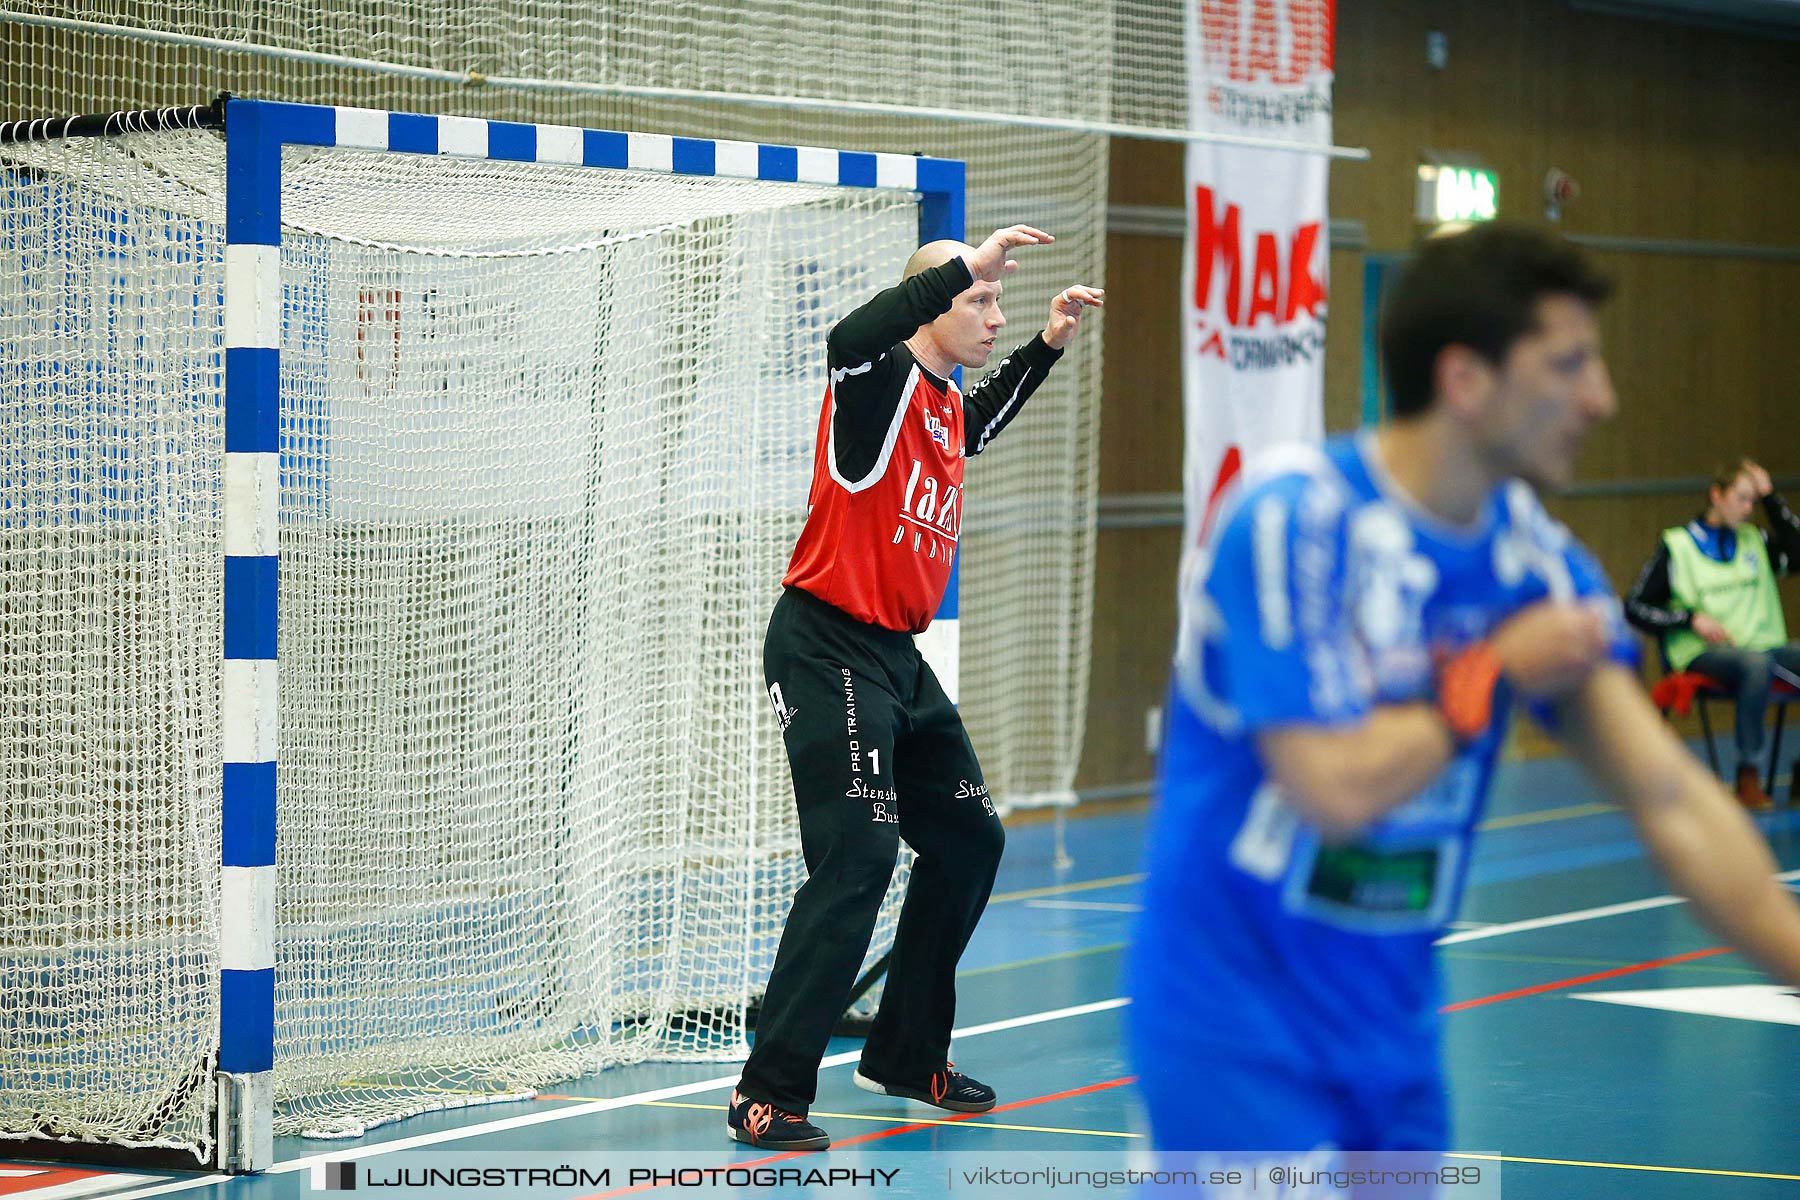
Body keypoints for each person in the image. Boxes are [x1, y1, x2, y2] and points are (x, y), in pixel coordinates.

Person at [1127, 224, 1800, 1166]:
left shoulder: (1535, 565)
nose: (1601, 399)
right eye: (1568, 366)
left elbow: (1673, 796)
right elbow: (1333, 786)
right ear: (1466, 381)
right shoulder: (1296, 522)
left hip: (1394, 1036)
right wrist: (1492, 673)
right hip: (1238, 1031)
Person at [727, 225, 1103, 1150]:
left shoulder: (938, 402)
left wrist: (1045, 343)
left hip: (897, 657)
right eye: (981, 298)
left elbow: (981, 422)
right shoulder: (879, 384)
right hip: (826, 647)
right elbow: (847, 341)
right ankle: (767, 1092)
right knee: (859, 857)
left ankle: (904, 1053)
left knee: (970, 840)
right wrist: (958, 269)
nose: (995, 310)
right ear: (936, 299)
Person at [1623, 458, 1800, 810]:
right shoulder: (1678, 547)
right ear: (1717, 495)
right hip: (1702, 656)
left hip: (1762, 648)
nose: (1748, 509)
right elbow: (1635, 606)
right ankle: (1748, 775)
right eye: (1742, 498)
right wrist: (1688, 619)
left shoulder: (1756, 541)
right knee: (1755, 666)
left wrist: (1771, 498)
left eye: (1753, 501)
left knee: (1764, 660)